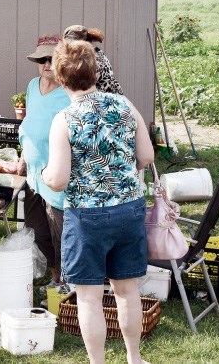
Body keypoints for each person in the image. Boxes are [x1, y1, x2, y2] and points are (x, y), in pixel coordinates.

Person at [41, 29, 153, 364]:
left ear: (62, 79)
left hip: (88, 216)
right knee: (127, 291)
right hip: (129, 209)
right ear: (95, 71)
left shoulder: (65, 119)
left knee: (89, 298)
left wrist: (45, 174)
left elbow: (58, 180)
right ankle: (134, 358)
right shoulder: (124, 104)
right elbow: (146, 156)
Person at [17, 34, 70, 287]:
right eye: (42, 59)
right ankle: (54, 275)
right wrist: (23, 159)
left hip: (56, 176)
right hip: (34, 175)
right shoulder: (32, 85)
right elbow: (28, 125)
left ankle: (66, 283)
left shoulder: (69, 92)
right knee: (37, 229)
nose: (47, 64)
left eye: (52, 59)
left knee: (58, 230)